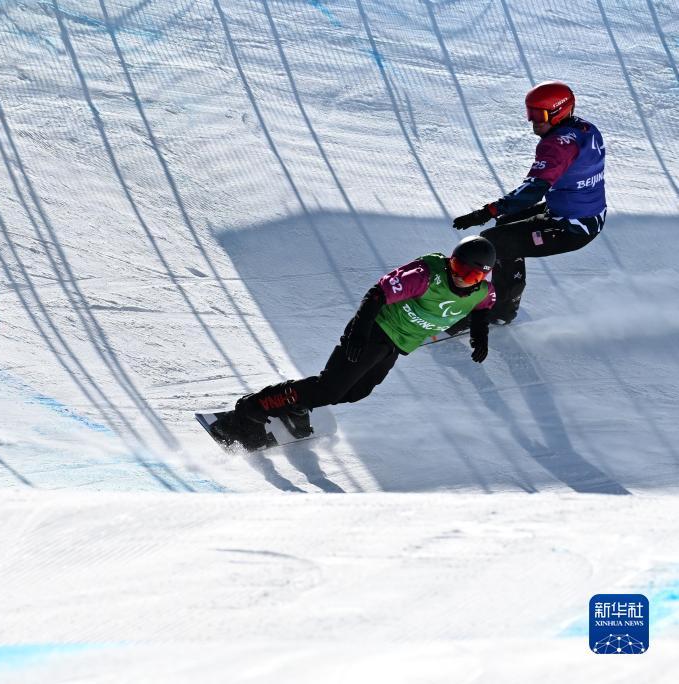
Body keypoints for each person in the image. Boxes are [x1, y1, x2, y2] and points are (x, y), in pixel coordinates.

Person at [210, 236, 498, 451]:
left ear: (482, 276)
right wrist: (360, 332)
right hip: (374, 328)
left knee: (356, 391)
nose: (461, 277)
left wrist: (480, 333)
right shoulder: (426, 275)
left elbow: (484, 305)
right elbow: (377, 294)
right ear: (450, 261)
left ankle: (296, 402)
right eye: (458, 267)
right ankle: (251, 410)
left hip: (397, 342)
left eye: (471, 274)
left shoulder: (481, 291)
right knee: (329, 388)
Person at [452, 80, 606, 323]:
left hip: (572, 226)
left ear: (559, 112)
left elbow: (532, 191)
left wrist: (486, 211)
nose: (533, 121)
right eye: (530, 112)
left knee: (493, 242)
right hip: (581, 210)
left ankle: (501, 311)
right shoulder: (585, 129)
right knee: (505, 226)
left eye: (539, 114)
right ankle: (508, 299)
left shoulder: (557, 145)